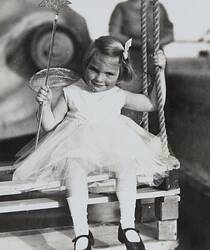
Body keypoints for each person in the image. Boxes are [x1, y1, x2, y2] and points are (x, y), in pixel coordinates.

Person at [12, 36, 179, 250]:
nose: (100, 78)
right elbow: (50, 125)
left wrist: (160, 72)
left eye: (109, 73)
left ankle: (127, 226)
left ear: (120, 73)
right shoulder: (71, 92)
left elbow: (153, 103)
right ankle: (82, 232)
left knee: (126, 165)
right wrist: (43, 105)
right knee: (75, 168)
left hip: (113, 146)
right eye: (94, 69)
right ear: (86, 65)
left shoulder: (118, 94)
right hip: (75, 145)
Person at [109, 0, 174, 92]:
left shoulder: (157, 7)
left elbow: (170, 34)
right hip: (132, 60)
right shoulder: (122, 8)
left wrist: (156, 44)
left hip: (155, 59)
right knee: (132, 94)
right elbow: (114, 33)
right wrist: (139, 43)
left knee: (158, 92)